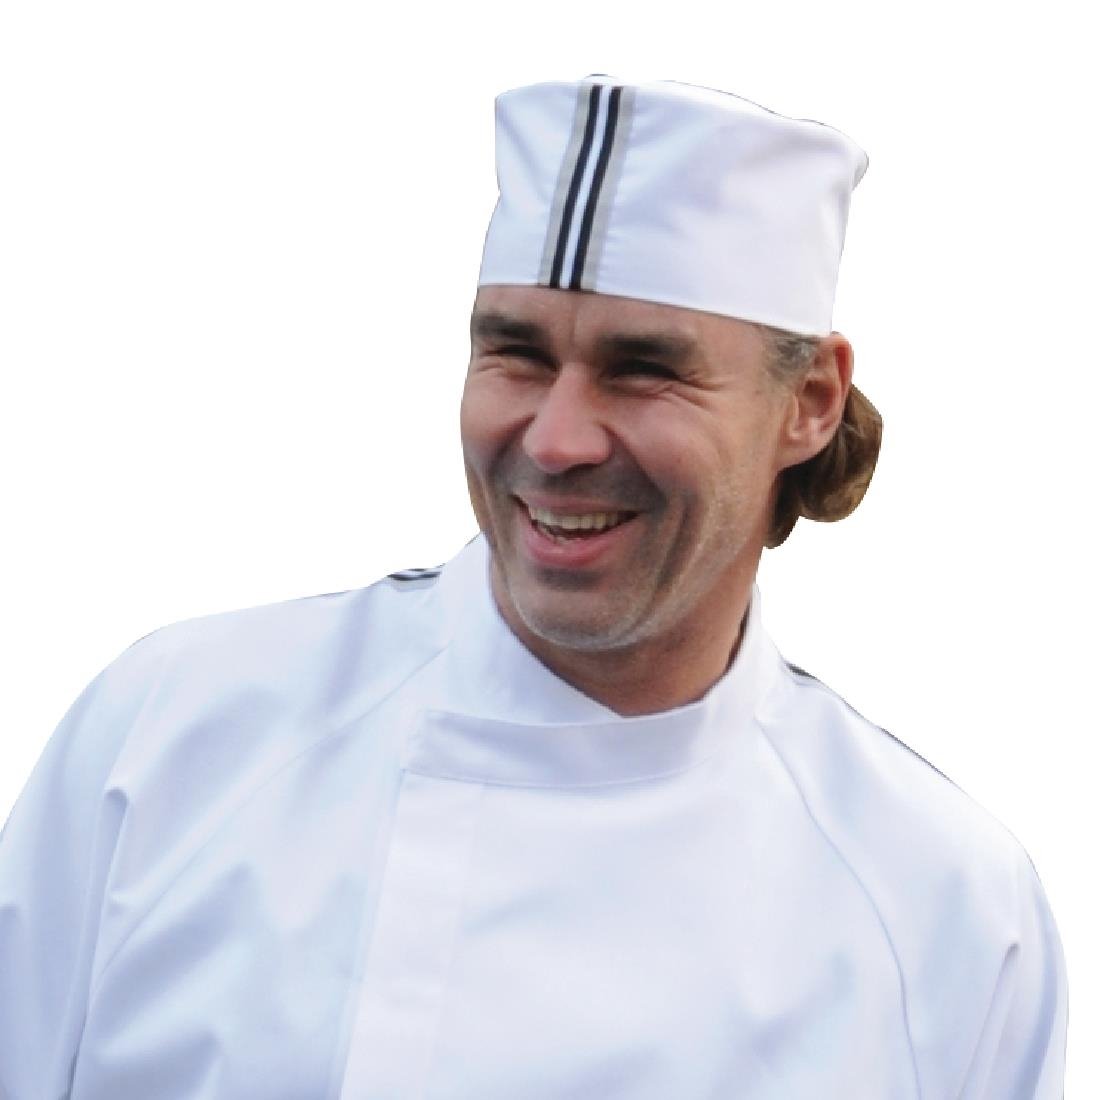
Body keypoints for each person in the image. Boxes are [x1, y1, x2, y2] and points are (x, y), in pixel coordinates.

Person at [0, 76, 1067, 1100]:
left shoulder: (948, 910)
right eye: (514, 354)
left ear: (811, 401)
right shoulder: (170, 737)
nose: (555, 441)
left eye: (644, 369)